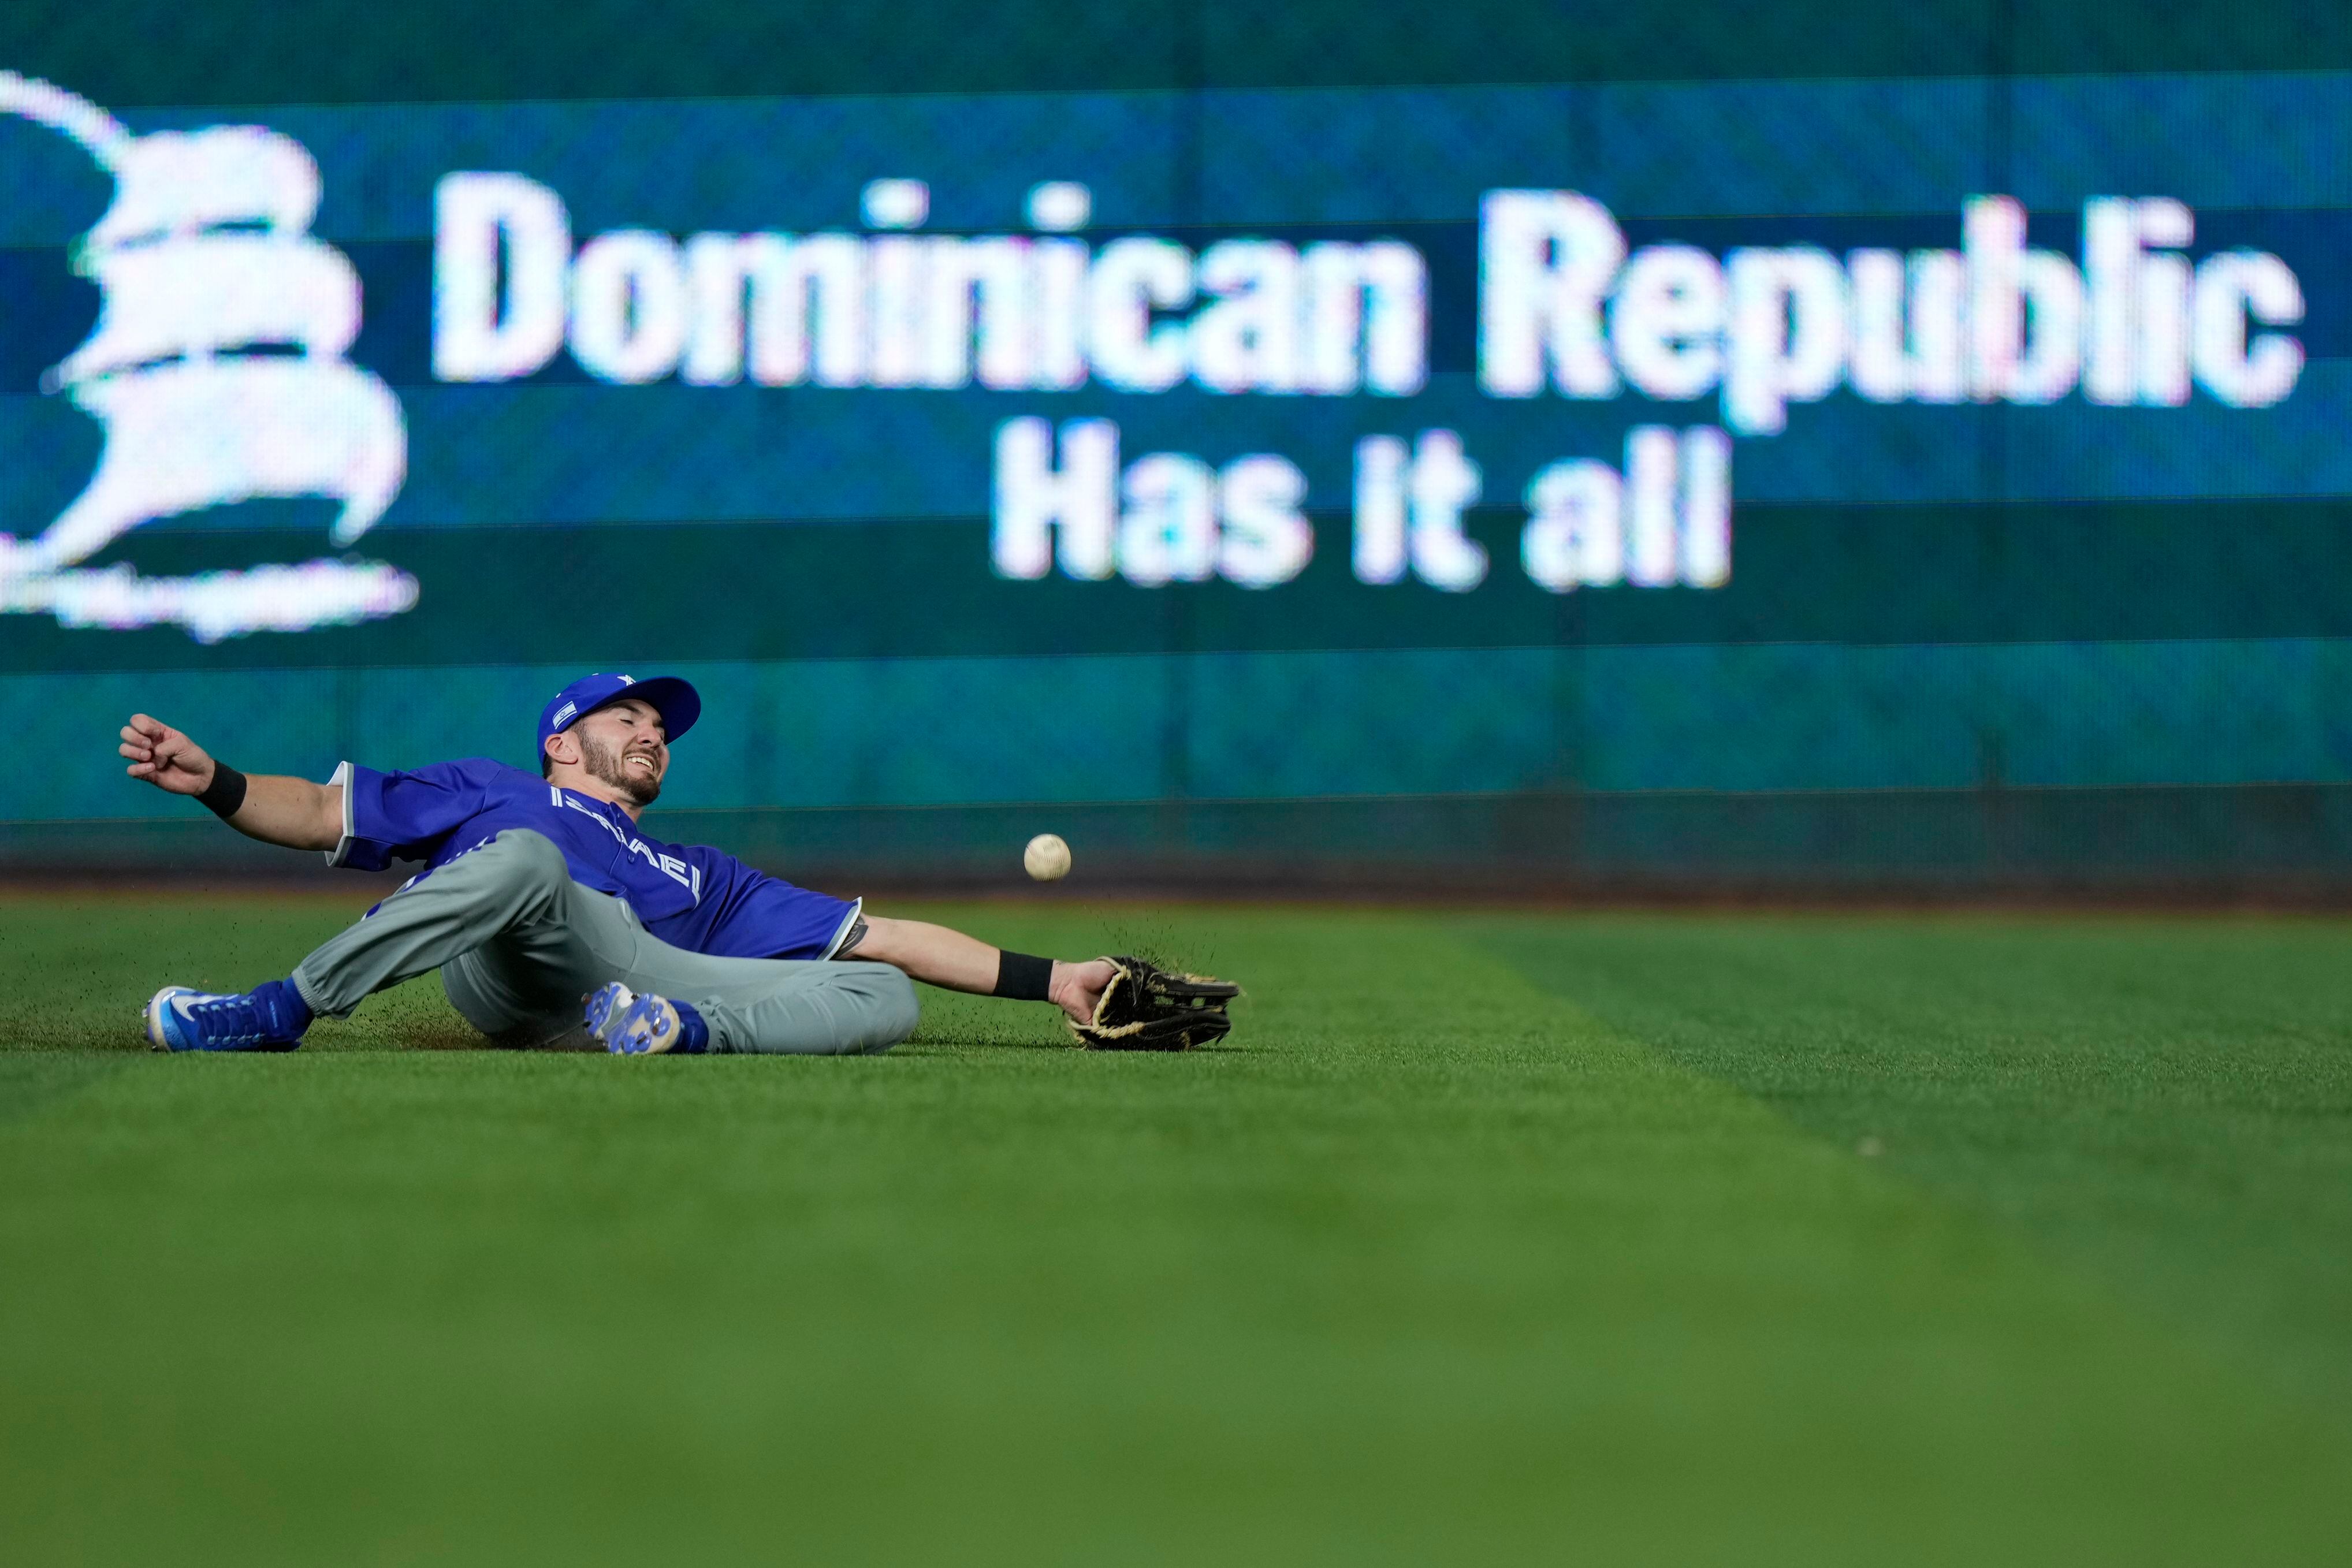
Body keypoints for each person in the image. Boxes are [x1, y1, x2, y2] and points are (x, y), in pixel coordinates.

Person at [120, 671, 1116, 1056]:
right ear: (560, 742)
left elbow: (884, 931)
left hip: (621, 983)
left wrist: (1057, 981)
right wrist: (219, 781)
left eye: (662, 727)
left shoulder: (700, 873)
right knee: (522, 862)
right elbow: (322, 813)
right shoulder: (498, 790)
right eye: (627, 717)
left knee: (882, 991)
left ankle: (676, 1034)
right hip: (504, 949)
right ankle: (275, 1012)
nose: (652, 733)